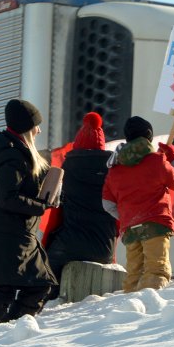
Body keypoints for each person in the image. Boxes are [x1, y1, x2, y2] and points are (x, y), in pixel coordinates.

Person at [0, 98, 58, 326]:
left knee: (37, 285)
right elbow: (7, 198)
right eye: (36, 126)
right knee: (5, 293)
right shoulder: (12, 157)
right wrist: (41, 206)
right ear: (26, 128)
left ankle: (7, 332)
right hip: (7, 235)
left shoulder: (14, 153)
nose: (39, 130)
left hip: (13, 234)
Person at [102, 116, 174, 292]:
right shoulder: (157, 161)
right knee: (156, 270)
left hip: (130, 228)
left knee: (134, 275)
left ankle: (131, 309)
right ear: (149, 136)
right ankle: (149, 311)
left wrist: (125, 215)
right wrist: (173, 158)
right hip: (156, 223)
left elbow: (107, 204)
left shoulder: (115, 169)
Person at [43, 112, 117, 296]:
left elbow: (56, 212)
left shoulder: (68, 169)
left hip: (70, 244)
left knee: (43, 279)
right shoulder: (113, 172)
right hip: (104, 248)